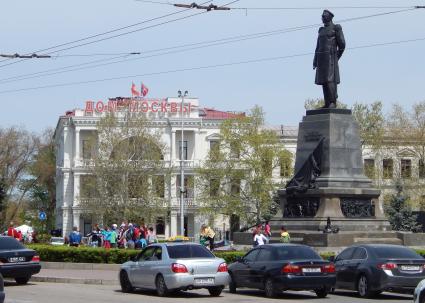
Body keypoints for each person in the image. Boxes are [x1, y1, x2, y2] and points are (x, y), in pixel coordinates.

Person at [313, 10, 346, 108]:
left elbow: (342, 45)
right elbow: (317, 46)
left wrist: (336, 56)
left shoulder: (336, 28)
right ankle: (327, 102)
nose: (322, 17)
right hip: (321, 59)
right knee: (323, 81)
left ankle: (332, 102)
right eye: (322, 16)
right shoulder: (321, 30)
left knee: (330, 80)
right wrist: (315, 60)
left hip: (331, 58)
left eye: (324, 16)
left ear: (330, 17)